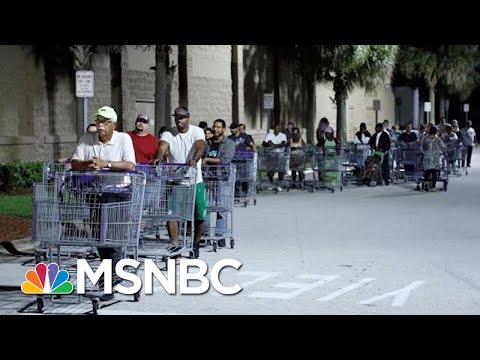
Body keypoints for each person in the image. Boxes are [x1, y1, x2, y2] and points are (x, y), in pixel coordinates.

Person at [71, 105, 136, 301]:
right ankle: (111, 277)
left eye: (105, 122)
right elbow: (75, 161)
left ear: (113, 125)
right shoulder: (87, 139)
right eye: (98, 121)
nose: (100, 125)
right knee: (101, 240)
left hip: (118, 194)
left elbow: (130, 164)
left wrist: (106, 164)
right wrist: (87, 164)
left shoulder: (123, 138)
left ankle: (111, 284)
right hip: (96, 194)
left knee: (113, 239)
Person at [152, 106, 206, 260]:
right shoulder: (168, 133)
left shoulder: (197, 131)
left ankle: (195, 244)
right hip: (175, 180)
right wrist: (159, 157)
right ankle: (175, 247)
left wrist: (195, 159)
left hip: (195, 180)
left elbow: (200, 145)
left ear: (188, 118)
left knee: (200, 216)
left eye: (182, 117)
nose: (179, 120)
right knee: (172, 215)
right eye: (177, 117)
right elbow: (162, 146)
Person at [202, 119, 236, 244]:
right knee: (204, 207)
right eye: (214, 126)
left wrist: (207, 159)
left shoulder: (229, 143)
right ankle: (204, 235)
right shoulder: (208, 143)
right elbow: (201, 156)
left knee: (221, 207)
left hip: (222, 178)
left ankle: (220, 235)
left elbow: (225, 159)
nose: (215, 129)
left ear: (223, 129)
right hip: (207, 178)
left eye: (218, 127)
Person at [263, 123, 288, 191]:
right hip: (271, 155)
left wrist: (273, 146)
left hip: (281, 155)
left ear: (280, 129)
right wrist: (270, 144)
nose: (277, 129)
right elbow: (265, 143)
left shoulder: (283, 135)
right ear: (273, 129)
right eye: (276, 128)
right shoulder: (269, 135)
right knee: (270, 170)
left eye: (278, 128)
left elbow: (283, 144)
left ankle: (280, 183)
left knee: (281, 169)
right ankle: (271, 183)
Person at [422, 125, 446, 192]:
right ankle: (433, 187)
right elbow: (443, 147)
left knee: (427, 172)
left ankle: (426, 184)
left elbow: (423, 147)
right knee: (434, 173)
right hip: (435, 157)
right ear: (436, 132)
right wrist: (443, 152)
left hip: (427, 157)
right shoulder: (438, 139)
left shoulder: (426, 139)